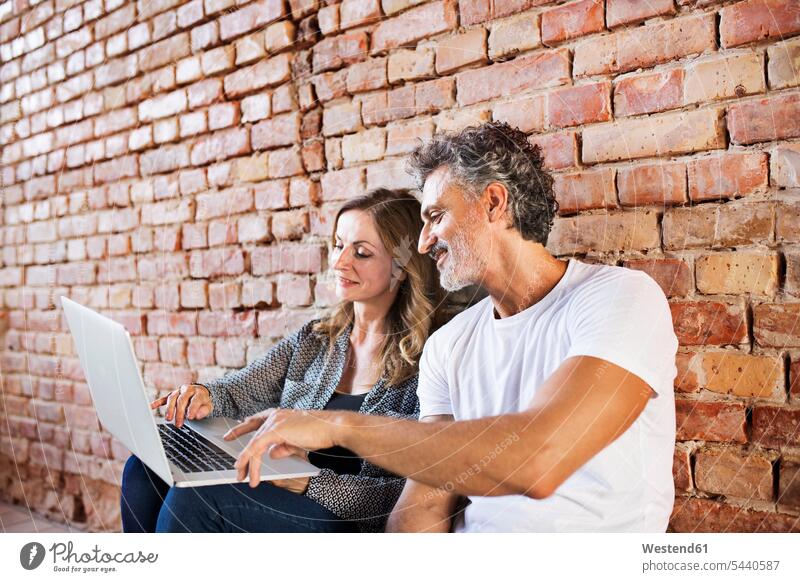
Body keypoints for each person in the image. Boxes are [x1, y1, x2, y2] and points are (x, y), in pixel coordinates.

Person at [230, 121, 679, 533]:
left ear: (494, 203)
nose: (424, 243)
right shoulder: (450, 344)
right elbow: (425, 507)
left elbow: (538, 460)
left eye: (435, 217)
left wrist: (339, 427)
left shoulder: (619, 298)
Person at [120, 188, 444, 533]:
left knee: (196, 501)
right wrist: (205, 394)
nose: (339, 262)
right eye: (338, 245)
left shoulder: (430, 363)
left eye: (361, 253)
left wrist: (311, 483)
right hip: (286, 495)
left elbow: (410, 497)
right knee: (144, 471)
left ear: (402, 267)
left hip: (347, 523)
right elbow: (241, 388)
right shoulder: (318, 338)